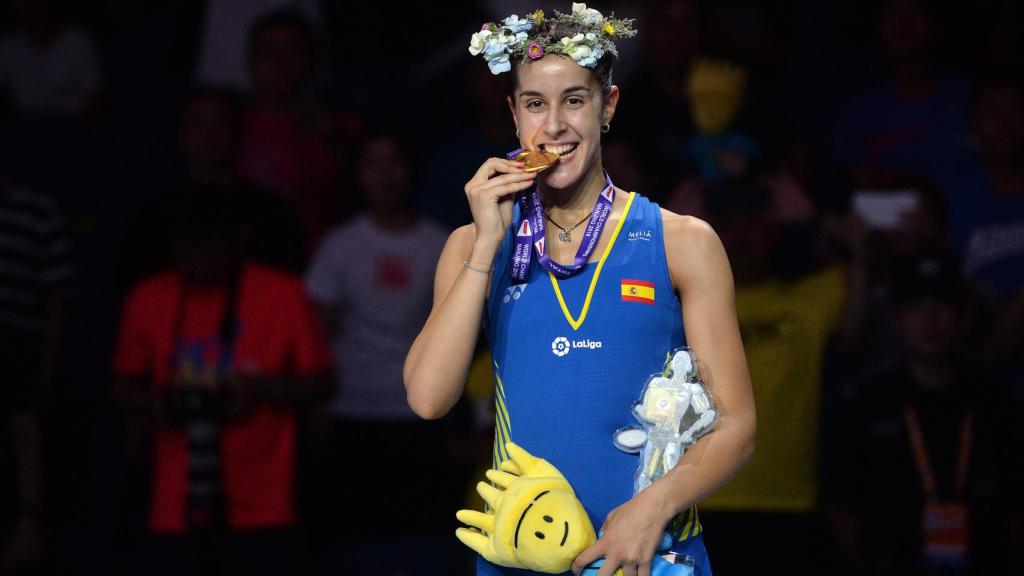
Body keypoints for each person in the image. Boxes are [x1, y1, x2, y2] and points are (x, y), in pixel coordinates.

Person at [404, 5, 755, 575]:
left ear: (607, 106)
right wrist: (486, 244)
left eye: (574, 100)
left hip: (650, 557)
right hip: (519, 560)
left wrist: (651, 509)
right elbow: (428, 398)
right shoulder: (473, 244)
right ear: (513, 113)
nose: (554, 126)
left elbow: (736, 426)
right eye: (535, 104)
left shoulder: (682, 242)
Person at [112, 190, 333, 575]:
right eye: (190, 247)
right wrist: (158, 402)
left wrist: (262, 388)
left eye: (211, 246)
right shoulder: (148, 297)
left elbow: (323, 381)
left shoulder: (280, 292)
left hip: (264, 499)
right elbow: (120, 386)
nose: (200, 258)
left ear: (235, 241)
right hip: (174, 500)